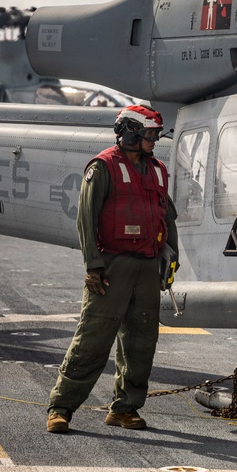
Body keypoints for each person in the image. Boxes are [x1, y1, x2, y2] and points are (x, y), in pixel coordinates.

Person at [46, 105, 178, 433]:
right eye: (149, 134)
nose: (155, 140)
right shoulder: (103, 167)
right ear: (131, 132)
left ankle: (125, 408)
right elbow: (86, 218)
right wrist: (93, 265)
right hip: (111, 268)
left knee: (141, 342)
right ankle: (61, 407)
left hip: (147, 268)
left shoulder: (158, 170)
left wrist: (170, 260)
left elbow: (167, 217)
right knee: (93, 338)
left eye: (156, 134)